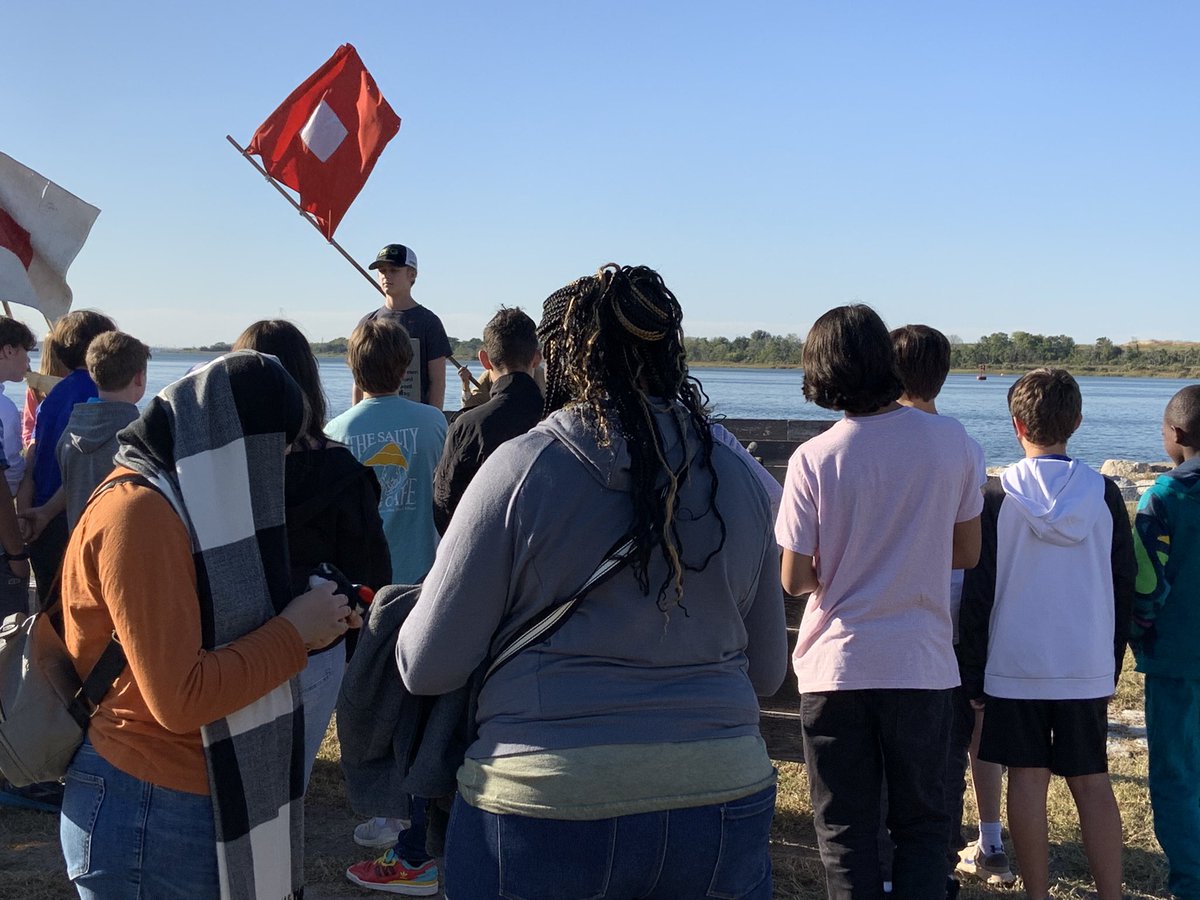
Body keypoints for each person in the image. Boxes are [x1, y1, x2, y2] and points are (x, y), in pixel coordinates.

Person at [375, 264, 787, 898]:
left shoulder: (520, 469)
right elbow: (765, 673)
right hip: (723, 793)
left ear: (561, 359)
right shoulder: (737, 474)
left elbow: (427, 665)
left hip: (543, 798)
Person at [57, 350, 359, 899]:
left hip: (182, 795)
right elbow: (180, 699)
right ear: (226, 440)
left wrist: (308, 612)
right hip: (148, 806)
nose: (275, 469)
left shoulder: (179, 500)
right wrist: (294, 633)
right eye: (272, 450)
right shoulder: (141, 514)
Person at [776, 304, 983, 899]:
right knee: (922, 825)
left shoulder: (814, 458)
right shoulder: (951, 443)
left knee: (845, 832)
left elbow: (795, 578)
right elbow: (965, 551)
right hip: (921, 662)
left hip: (836, 664)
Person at [958, 368, 1133, 900]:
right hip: (1083, 663)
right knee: (1092, 781)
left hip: (1015, 663)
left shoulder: (996, 495)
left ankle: (1037, 893)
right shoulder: (1102, 494)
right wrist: (1112, 659)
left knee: (1026, 780)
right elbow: (1122, 583)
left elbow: (978, 593)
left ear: (1016, 425)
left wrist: (974, 671)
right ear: (1076, 422)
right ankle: (1111, 893)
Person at [232, 319, 392, 787]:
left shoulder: (213, 473)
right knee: (287, 786)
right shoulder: (341, 468)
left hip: (234, 640)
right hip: (317, 641)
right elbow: (371, 572)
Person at [325, 317, 447, 869]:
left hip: (365, 593)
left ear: (353, 367)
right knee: (417, 703)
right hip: (424, 585)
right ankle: (416, 804)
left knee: (365, 702)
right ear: (406, 368)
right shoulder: (433, 424)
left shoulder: (336, 431)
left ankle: (382, 810)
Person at [889, 324, 1004, 891]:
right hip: (947, 626)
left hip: (885, 631)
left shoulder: (865, 437)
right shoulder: (964, 445)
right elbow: (967, 550)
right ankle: (937, 861)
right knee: (944, 753)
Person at [1129, 383, 1200, 898]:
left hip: (1176, 659)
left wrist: (1138, 633)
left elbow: (1146, 583)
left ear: (1174, 434)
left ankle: (1190, 880)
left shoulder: (1166, 496)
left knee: (1176, 774)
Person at [17, 310, 115, 604]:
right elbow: (80, 465)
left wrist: (32, 507)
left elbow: (37, 455)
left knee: (48, 609)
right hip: (67, 515)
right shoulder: (97, 395)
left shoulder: (54, 394)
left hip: (42, 513)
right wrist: (48, 511)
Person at [432, 306, 543, 534]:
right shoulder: (557, 418)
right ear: (536, 358)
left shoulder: (468, 426)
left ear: (484, 359)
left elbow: (444, 507)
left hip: (485, 551)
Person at [43, 332, 150, 533]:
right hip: (121, 545)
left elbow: (71, 486)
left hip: (78, 544)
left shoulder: (71, 432)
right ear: (138, 377)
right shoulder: (139, 438)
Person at [352, 244, 452, 410]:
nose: (386, 276)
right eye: (382, 271)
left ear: (411, 274)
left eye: (394, 270)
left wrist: (435, 421)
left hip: (415, 419)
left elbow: (438, 382)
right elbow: (358, 381)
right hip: (373, 416)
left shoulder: (429, 322)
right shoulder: (367, 323)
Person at [0, 317, 35, 618]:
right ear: (8, 351)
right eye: (26, 350)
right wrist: (16, 552)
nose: (28, 359)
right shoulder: (4, 409)